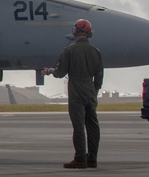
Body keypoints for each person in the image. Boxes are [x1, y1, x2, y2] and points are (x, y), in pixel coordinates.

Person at [43, 18, 104, 169]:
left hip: (76, 89)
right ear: (89, 32)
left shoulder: (69, 50)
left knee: (78, 126)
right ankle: (93, 159)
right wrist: (95, 92)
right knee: (93, 125)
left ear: (75, 31)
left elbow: (60, 72)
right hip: (90, 89)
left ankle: (80, 158)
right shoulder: (96, 51)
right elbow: (100, 76)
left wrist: (50, 71)